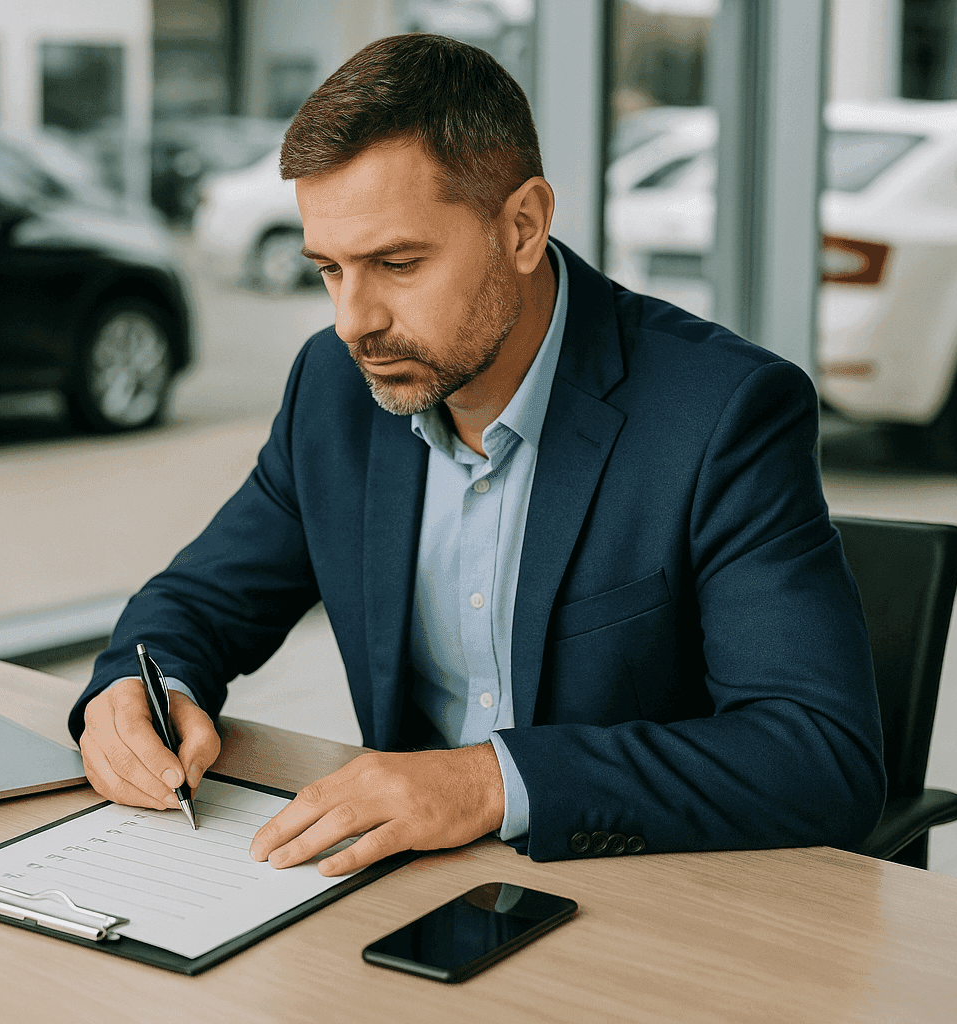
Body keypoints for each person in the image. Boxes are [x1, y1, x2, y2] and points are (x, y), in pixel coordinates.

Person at [69, 33, 884, 875]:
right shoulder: (335, 388)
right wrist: (140, 691)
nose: (354, 320)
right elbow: (199, 601)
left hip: (635, 903)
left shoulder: (721, 414)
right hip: (401, 896)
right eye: (329, 269)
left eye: (396, 263)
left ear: (523, 226)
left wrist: (491, 782)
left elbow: (820, 755)